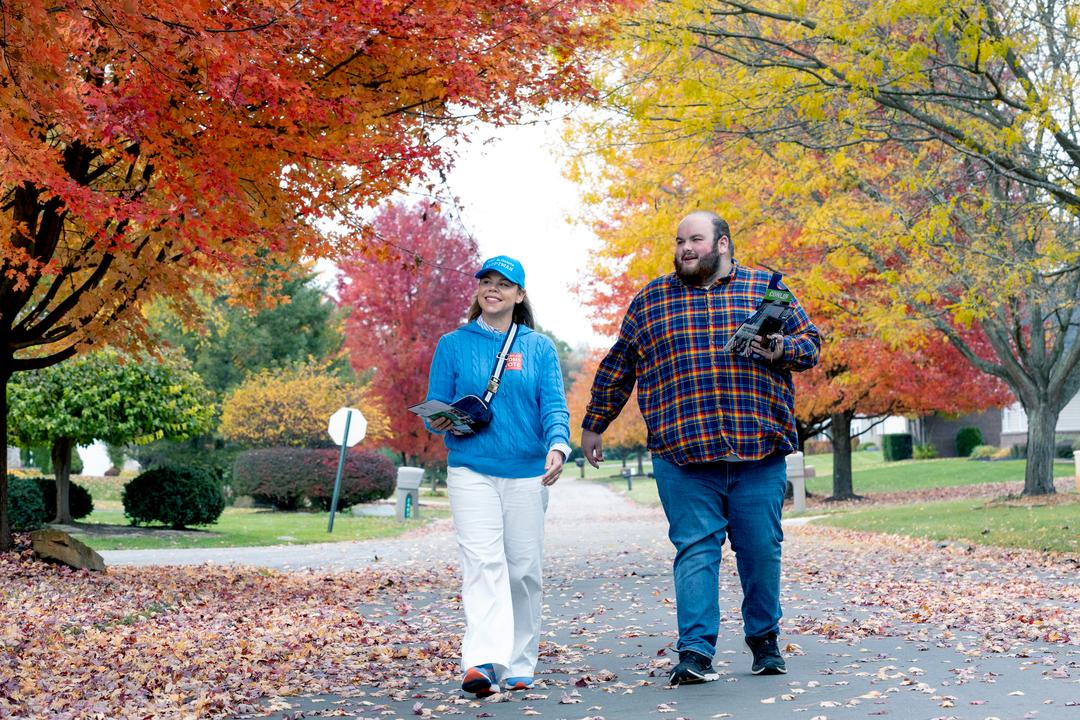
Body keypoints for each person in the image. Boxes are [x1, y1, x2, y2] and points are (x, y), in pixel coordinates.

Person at [580, 212, 820, 686]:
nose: (685, 248)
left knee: (760, 550)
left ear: (723, 244)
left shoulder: (766, 288)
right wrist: (594, 423)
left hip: (757, 448)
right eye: (679, 241)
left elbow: (810, 345)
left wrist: (778, 350)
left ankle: (764, 643)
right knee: (694, 550)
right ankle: (694, 652)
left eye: (695, 239)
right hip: (683, 453)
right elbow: (619, 364)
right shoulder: (651, 299)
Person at [425, 255, 571, 697]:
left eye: (504, 284)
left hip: (527, 472)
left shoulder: (539, 348)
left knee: (522, 570)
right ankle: (482, 663)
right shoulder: (452, 344)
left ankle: (521, 659)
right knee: (483, 564)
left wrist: (558, 445)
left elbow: (553, 405)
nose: (493, 289)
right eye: (486, 281)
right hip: (471, 469)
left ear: (519, 295)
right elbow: (435, 408)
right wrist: (443, 420)